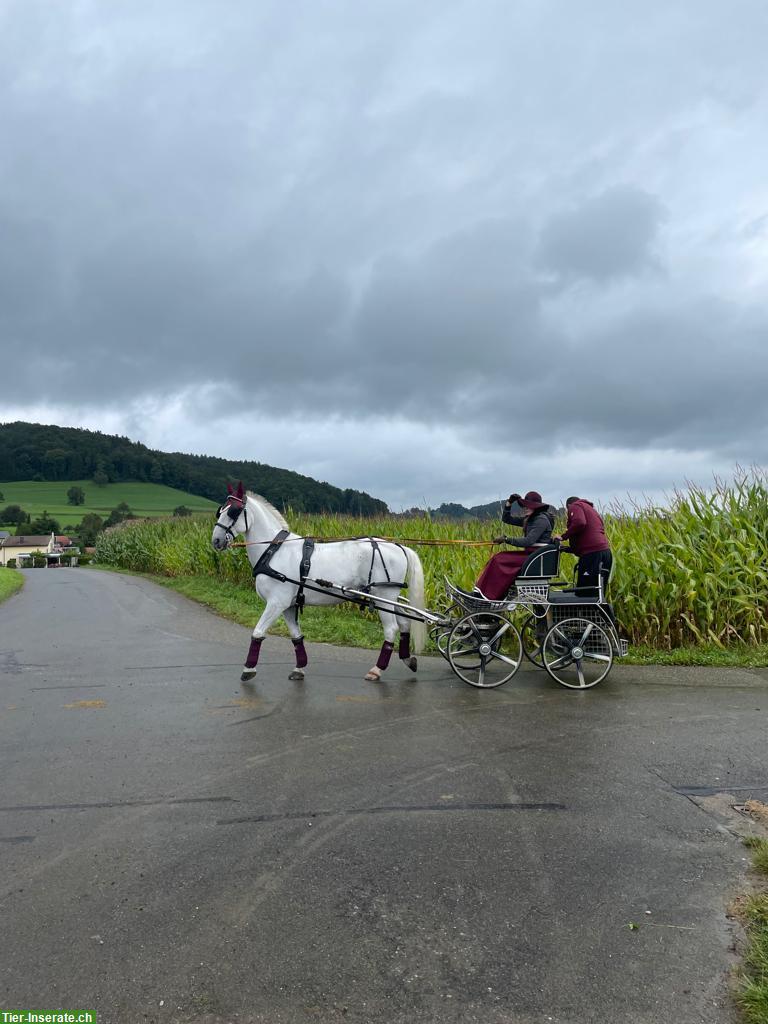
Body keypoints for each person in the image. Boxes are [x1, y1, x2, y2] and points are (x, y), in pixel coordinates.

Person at [475, 491, 556, 600]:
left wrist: (506, 539)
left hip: (534, 556)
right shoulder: (531, 519)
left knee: (499, 559)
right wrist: (509, 503)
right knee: (498, 558)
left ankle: (488, 596)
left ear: (536, 507)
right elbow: (506, 519)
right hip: (531, 554)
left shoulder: (540, 520)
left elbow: (528, 541)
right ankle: (484, 594)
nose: (525, 508)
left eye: (528, 506)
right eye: (524, 506)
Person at [554, 496, 612, 593]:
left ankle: (581, 608)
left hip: (592, 555)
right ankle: (596, 608)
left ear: (568, 506)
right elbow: (588, 538)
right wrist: (566, 549)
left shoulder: (575, 506)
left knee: (584, 591)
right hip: (605, 553)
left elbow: (580, 522)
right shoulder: (592, 510)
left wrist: (563, 536)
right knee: (598, 592)